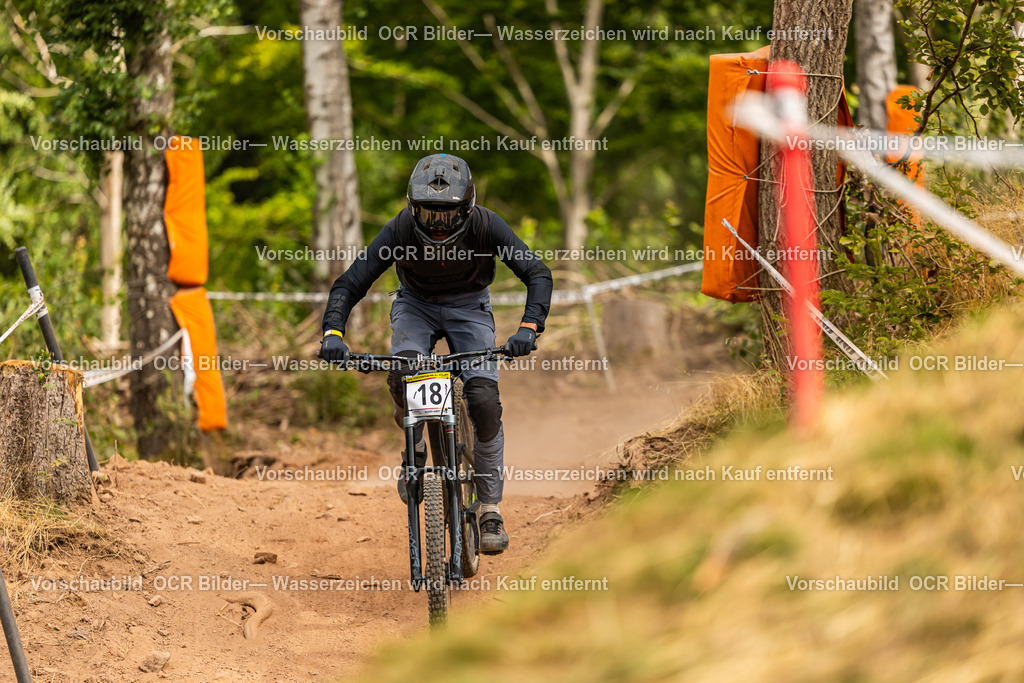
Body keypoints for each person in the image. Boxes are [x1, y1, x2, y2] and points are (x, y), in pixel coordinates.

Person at [319, 153, 552, 553]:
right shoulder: (399, 229)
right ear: (413, 210)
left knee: (482, 400)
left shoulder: (486, 225)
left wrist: (529, 328)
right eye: (428, 215)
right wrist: (333, 333)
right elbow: (349, 283)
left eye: (446, 215)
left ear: (467, 208)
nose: (438, 225)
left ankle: (490, 508)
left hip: (470, 306)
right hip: (416, 304)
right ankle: (416, 444)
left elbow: (536, 273)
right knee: (404, 372)